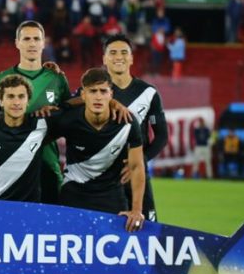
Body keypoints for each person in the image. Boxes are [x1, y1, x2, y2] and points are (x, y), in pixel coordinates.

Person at [51, 68, 145, 232]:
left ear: (111, 94)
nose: (98, 97)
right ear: (83, 95)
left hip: (112, 197)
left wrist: (136, 210)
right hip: (73, 195)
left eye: (103, 91)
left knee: (113, 254)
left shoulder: (128, 122)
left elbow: (137, 166)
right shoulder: (68, 120)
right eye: (93, 91)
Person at [0, 21, 71, 204]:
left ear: (44, 43)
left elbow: (69, 118)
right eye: (26, 39)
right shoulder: (0, 80)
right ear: (17, 43)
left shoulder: (57, 79)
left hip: (47, 164)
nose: (32, 43)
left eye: (36, 39)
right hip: (9, 167)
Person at [102, 34, 167, 221]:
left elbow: (161, 136)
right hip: (103, 178)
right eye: (112, 53)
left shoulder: (148, 93)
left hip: (137, 176)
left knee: (147, 233)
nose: (118, 57)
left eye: (124, 52)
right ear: (104, 59)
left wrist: (139, 163)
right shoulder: (95, 92)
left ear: (131, 58)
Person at [0, 75, 47, 202]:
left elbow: (73, 111)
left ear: (28, 100)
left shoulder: (42, 124)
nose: (16, 102)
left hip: (28, 208)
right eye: (10, 96)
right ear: (1, 100)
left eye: (21, 96)